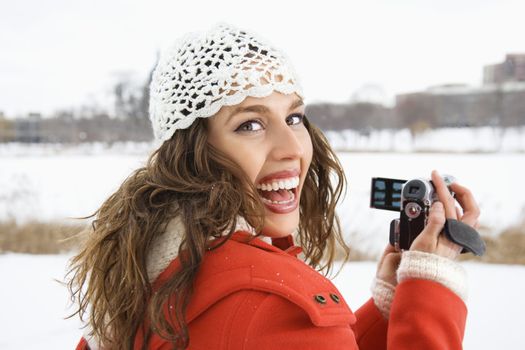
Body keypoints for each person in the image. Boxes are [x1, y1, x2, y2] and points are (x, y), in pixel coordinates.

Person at [68, 23, 479, 349]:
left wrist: (392, 306)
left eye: (295, 118)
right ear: (193, 153)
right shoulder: (276, 303)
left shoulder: (140, 278)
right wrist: (430, 286)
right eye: (250, 124)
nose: (293, 149)